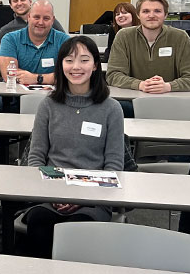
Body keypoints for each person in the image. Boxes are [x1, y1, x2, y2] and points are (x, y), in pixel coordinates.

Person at [19, 36, 124, 258]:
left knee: (80, 231)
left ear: (95, 65)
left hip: (94, 198)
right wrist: (56, 193)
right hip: (50, 194)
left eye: (84, 60)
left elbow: (114, 166)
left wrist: (79, 197)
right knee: (40, 225)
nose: (76, 67)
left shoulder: (111, 109)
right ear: (61, 65)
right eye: (69, 60)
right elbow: (36, 157)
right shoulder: (48, 105)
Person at [106, 0, 190, 96]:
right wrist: (141, 85)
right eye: (146, 11)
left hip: (172, 99)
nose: (151, 15)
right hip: (133, 98)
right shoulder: (124, 36)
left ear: (165, 15)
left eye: (157, 11)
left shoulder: (181, 37)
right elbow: (113, 75)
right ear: (138, 15)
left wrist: (168, 86)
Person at [0, 0, 69, 112]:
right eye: (36, 17)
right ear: (28, 17)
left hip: (54, 99)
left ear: (53, 20)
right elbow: (9, 75)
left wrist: (36, 78)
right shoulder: (10, 39)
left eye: (46, 18)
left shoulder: (64, 41)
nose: (41, 22)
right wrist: (52, 78)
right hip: (15, 98)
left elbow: (68, 75)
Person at [0, 0, 66, 58]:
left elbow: (64, 44)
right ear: (11, 5)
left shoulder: (50, 23)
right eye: (15, 1)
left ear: (30, 1)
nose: (19, 3)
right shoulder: (6, 30)